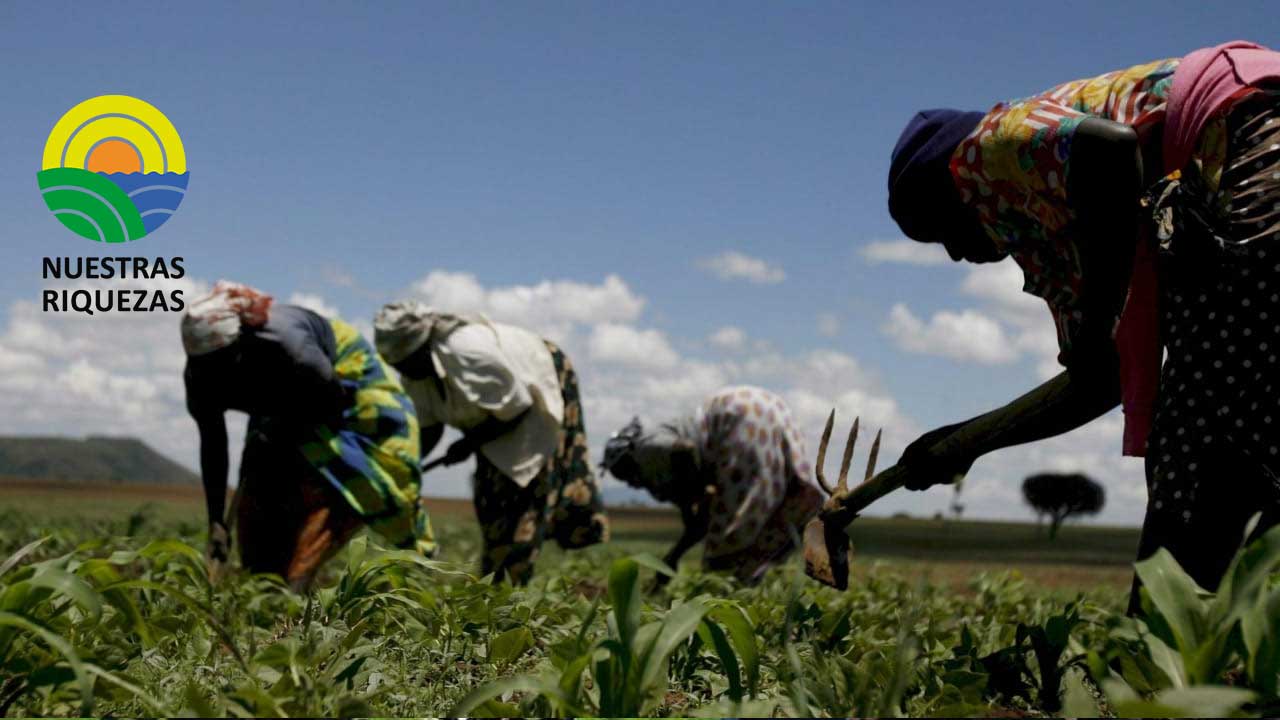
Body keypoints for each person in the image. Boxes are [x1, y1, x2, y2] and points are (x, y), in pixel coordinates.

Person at [884, 42, 1280, 611]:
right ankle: (1227, 656)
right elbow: (1100, 380)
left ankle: (1163, 663)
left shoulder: (988, 146)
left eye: (939, 229)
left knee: (1201, 431)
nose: (952, 254)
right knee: (1244, 422)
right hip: (1241, 162)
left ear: (955, 188)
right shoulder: (1064, 239)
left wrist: (1098, 320)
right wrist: (966, 440)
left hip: (1256, 127)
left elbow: (1111, 149)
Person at [182, 282, 434, 590]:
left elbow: (331, 400)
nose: (212, 374)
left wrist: (278, 429)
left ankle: (297, 584)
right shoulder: (200, 377)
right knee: (258, 490)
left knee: (333, 477)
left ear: (241, 343)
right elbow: (213, 444)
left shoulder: (290, 349)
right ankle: (263, 584)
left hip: (336, 385)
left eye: (220, 363)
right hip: (277, 403)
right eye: (202, 365)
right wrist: (216, 522)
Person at [373, 301, 608, 584]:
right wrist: (406, 469)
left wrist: (468, 443)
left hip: (537, 390)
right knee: (491, 497)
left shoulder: (467, 351)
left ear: (420, 348)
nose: (402, 371)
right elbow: (428, 429)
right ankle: (495, 578)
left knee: (527, 491)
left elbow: (517, 406)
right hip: (496, 417)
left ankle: (509, 587)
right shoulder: (416, 374)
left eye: (404, 363)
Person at [600, 386, 825, 586]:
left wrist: (694, 494)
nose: (626, 482)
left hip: (738, 416)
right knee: (780, 505)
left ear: (624, 459)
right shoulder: (672, 468)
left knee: (725, 547)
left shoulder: (645, 450)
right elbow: (698, 525)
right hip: (766, 409)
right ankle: (748, 585)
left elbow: (685, 450)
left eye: (620, 473)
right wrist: (673, 558)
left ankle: (724, 596)